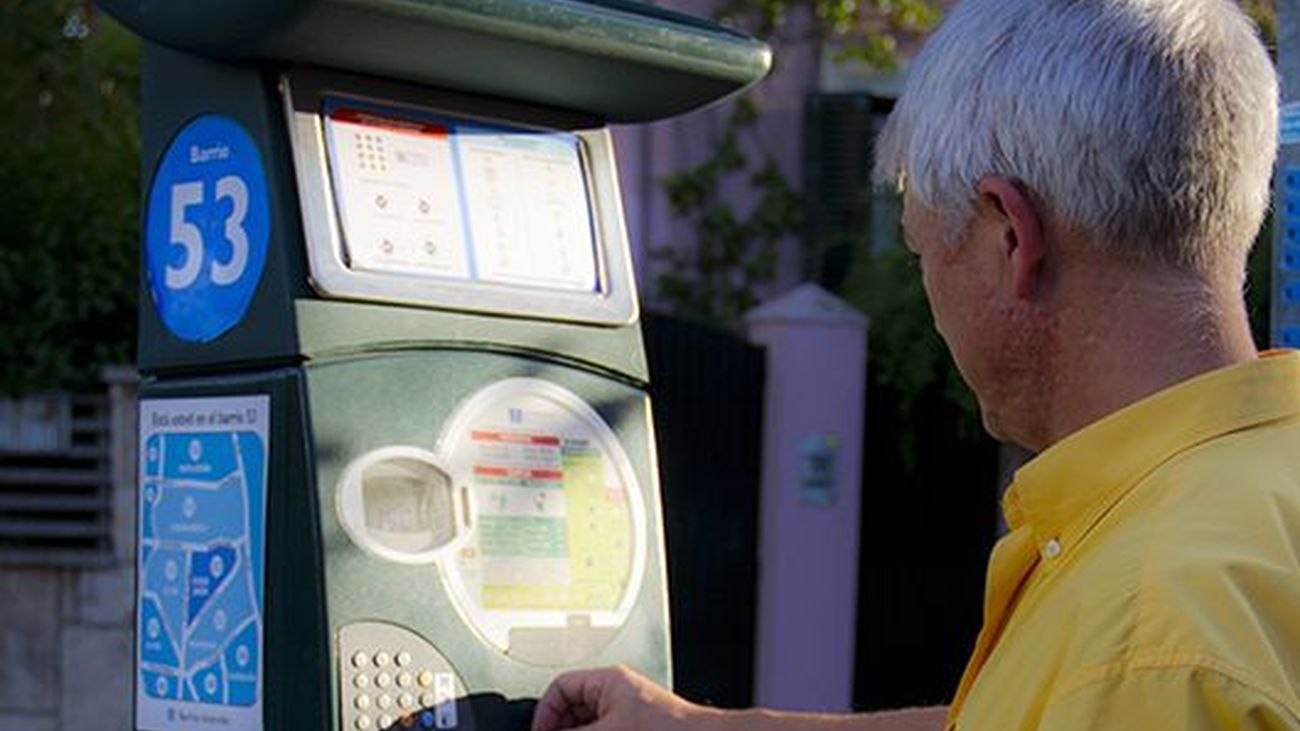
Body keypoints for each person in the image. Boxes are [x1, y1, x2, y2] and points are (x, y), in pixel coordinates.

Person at [531, 0, 1300, 729]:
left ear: (1010, 239)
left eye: (921, 248)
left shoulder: (1146, 640)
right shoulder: (1251, 485)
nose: (929, 292)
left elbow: (1118, 686)